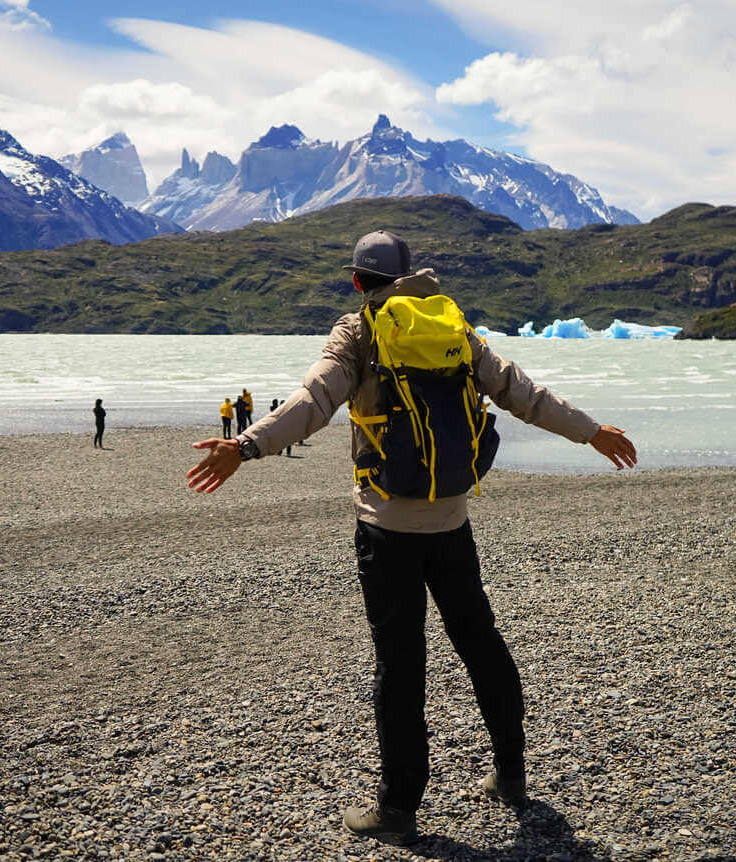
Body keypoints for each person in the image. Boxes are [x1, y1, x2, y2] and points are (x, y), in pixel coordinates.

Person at [186, 230, 637, 845]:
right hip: (451, 518)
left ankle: (397, 808)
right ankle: (510, 776)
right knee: (479, 640)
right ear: (412, 274)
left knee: (400, 664)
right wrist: (590, 431)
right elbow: (521, 392)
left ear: (357, 281)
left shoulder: (358, 330)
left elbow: (314, 399)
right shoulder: (453, 327)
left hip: (386, 527)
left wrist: (246, 444)